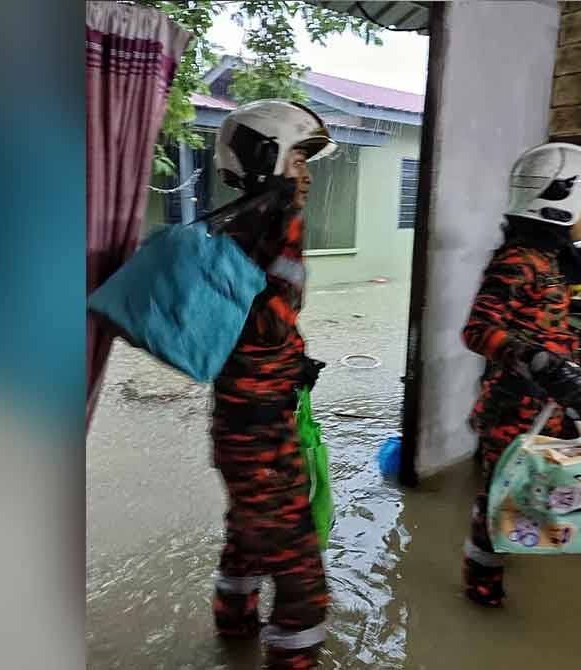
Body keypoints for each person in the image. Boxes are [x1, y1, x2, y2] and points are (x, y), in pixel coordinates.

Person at [209, 99, 334, 669]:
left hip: (242, 424)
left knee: (246, 532)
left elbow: (255, 329)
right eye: (299, 160)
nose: (307, 175)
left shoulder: (244, 228)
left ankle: (233, 632)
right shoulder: (267, 229)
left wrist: (294, 362)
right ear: (267, 157)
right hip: (258, 435)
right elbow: (267, 322)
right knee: (300, 569)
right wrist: (289, 229)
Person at [461, 142, 581, 607]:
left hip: (544, 405)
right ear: (560, 200)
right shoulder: (518, 261)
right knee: (498, 499)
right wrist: (540, 361)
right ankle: (483, 589)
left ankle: (514, 546)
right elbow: (478, 330)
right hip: (513, 408)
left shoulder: (549, 257)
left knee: (531, 490)